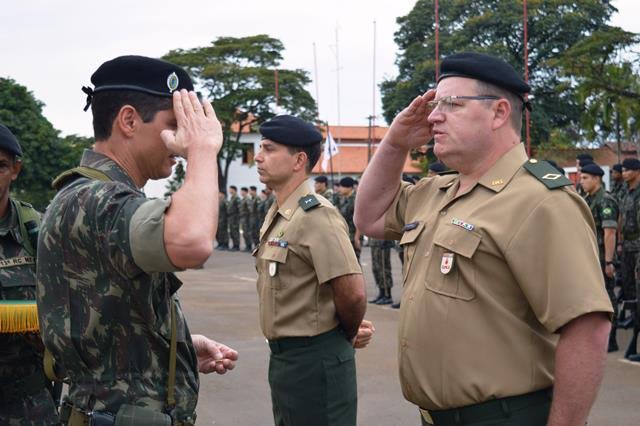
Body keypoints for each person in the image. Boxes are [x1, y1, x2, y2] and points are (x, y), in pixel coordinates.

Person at [355, 52, 612, 426]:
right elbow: (369, 217)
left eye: (452, 104)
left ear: (498, 113)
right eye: (435, 105)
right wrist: (395, 144)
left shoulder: (540, 200)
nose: (433, 116)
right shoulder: (436, 192)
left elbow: (587, 328)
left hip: (504, 416)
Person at [36, 55, 238, 425]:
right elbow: (192, 242)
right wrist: (202, 150)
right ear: (129, 121)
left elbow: (100, 323)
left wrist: (177, 348)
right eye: (174, 125)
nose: (180, 140)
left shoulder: (95, 195)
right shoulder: (96, 198)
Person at [253, 115, 370, 426]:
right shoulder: (281, 213)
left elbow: (352, 293)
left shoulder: (315, 215)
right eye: (260, 148)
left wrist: (342, 337)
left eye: (269, 149)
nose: (258, 157)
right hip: (286, 359)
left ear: (298, 160)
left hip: (315, 359)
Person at [0, 124, 59, 425]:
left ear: (15, 170)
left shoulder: (38, 231)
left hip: (28, 407)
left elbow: (74, 306)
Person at [580, 163, 619, 352]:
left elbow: (610, 232)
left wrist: (609, 262)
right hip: (591, 256)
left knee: (608, 297)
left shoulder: (605, 200)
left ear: (597, 179)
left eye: (585, 178)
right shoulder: (588, 199)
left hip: (603, 256)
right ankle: (597, 337)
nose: (582, 181)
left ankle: (611, 338)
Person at [337, 177, 362, 262]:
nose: (339, 189)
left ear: (349, 188)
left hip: (353, 236)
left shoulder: (356, 200)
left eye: (342, 186)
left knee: (354, 262)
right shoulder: (343, 199)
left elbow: (359, 220)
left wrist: (357, 238)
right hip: (345, 235)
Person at [368, 238, 394, 305]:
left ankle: (387, 295)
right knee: (376, 268)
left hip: (382, 241)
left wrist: (384, 239)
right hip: (374, 242)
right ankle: (381, 294)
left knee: (383, 269)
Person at [227, 185, 241, 251]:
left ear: (234, 190)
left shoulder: (237, 198)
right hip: (231, 218)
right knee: (232, 232)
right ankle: (234, 245)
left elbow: (239, 208)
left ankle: (237, 246)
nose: (229, 190)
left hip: (235, 218)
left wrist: (237, 217)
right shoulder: (232, 198)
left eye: (230, 189)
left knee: (235, 232)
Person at [239, 187, 253, 252]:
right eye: (241, 191)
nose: (241, 193)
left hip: (247, 219)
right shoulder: (243, 199)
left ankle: (249, 246)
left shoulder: (247, 199)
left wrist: (249, 219)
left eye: (242, 191)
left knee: (247, 233)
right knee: (245, 233)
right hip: (243, 218)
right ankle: (247, 246)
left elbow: (250, 210)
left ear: (245, 192)